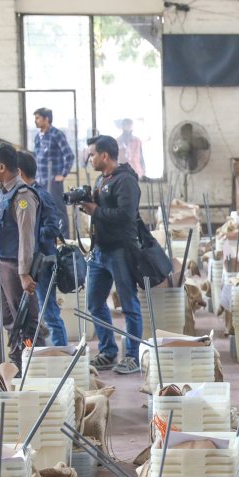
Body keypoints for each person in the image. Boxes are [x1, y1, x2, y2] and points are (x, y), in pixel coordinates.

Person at [81, 135, 144, 375]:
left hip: (120, 251)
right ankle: (108, 351)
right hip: (100, 251)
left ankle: (132, 356)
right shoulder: (101, 180)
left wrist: (96, 210)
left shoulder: (125, 180)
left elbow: (126, 216)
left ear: (105, 156)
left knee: (129, 305)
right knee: (95, 303)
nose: (91, 159)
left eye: (93, 155)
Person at [0, 143, 40, 368]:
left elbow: (26, 238)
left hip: (16, 268)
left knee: (25, 321)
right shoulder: (2, 194)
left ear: (2, 167)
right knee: (9, 320)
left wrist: (24, 273)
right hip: (3, 265)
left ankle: (30, 361)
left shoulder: (22, 196)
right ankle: (15, 365)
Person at [17, 150, 68, 347]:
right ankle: (33, 354)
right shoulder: (23, 195)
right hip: (30, 263)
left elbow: (54, 228)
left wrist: (31, 236)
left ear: (19, 172)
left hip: (44, 263)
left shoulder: (40, 195)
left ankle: (62, 356)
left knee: (50, 312)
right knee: (30, 314)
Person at [32, 108, 74, 231]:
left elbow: (69, 155)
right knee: (43, 210)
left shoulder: (56, 134)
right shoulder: (37, 137)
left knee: (58, 210)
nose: (36, 121)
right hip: (40, 180)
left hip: (53, 180)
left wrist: (63, 174)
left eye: (38, 118)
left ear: (47, 119)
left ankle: (65, 239)